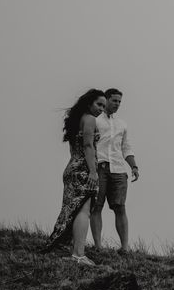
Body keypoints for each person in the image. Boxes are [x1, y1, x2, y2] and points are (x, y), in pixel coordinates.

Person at [42, 89, 106, 265]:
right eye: (99, 104)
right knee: (84, 211)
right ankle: (78, 255)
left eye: (103, 106)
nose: (101, 109)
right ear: (89, 103)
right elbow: (87, 146)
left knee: (75, 210)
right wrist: (93, 172)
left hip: (72, 168)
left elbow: (77, 147)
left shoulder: (76, 120)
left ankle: (75, 253)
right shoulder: (90, 119)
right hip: (83, 170)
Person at [90, 88, 139, 253]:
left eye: (119, 102)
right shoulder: (95, 121)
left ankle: (124, 247)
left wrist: (134, 166)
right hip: (100, 167)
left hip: (118, 169)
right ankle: (98, 246)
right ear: (107, 100)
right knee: (96, 206)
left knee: (120, 207)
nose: (117, 104)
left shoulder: (122, 124)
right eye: (114, 100)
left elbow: (126, 147)